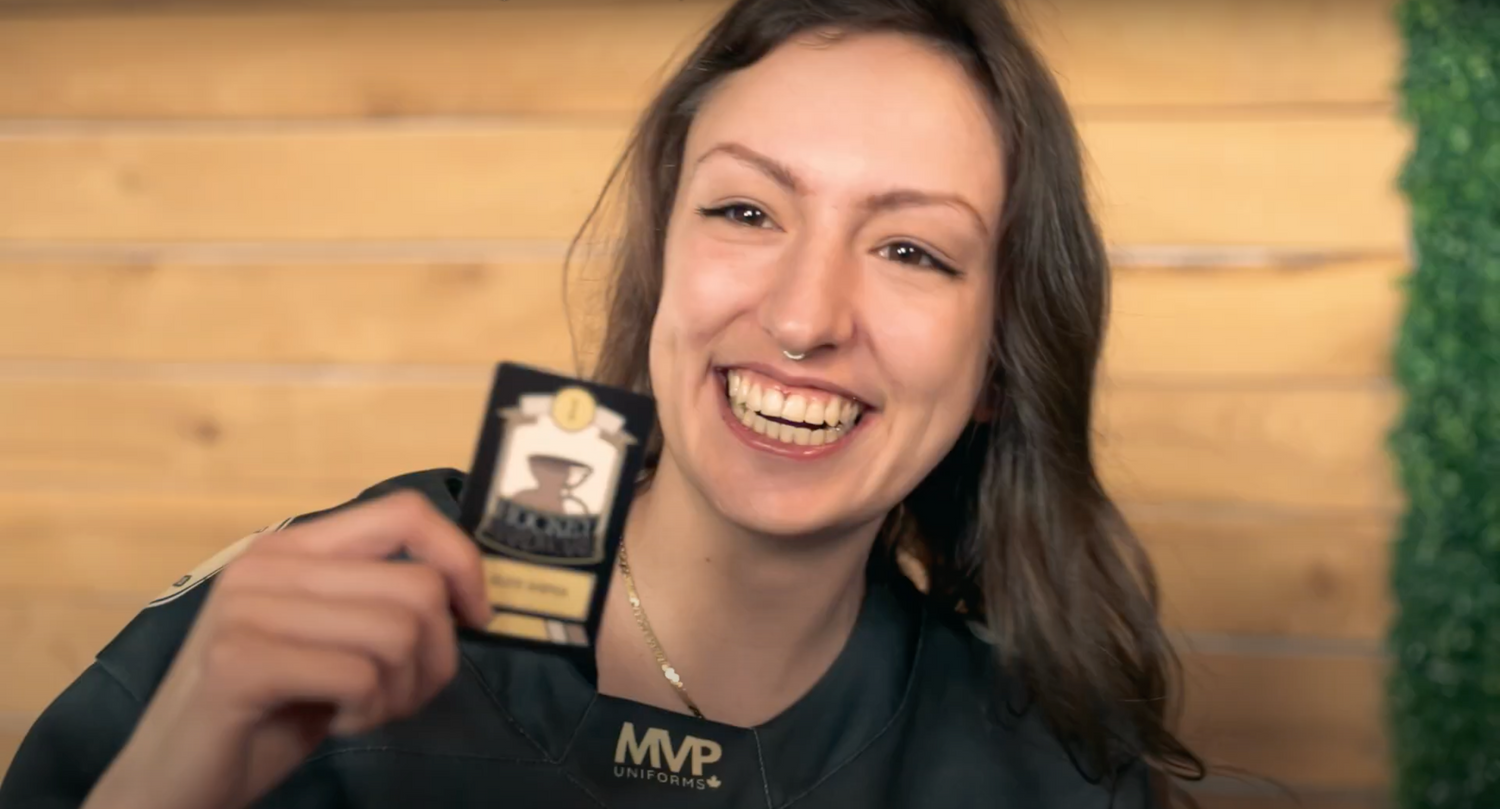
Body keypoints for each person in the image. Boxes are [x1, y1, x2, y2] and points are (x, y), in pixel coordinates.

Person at [0, 0, 1208, 807]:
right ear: (663, 257)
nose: (802, 317)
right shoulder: (326, 605)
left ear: (999, 360)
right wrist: (176, 762)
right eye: (745, 211)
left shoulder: (1048, 768)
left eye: (913, 252)